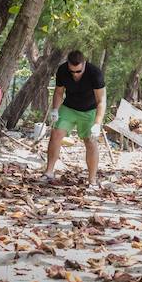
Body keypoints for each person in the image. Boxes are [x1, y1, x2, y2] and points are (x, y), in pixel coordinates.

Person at [42, 50, 106, 187]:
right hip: (69, 107)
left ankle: (92, 180)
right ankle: (48, 172)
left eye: (78, 71)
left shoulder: (95, 73)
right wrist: (55, 110)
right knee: (56, 134)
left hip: (90, 110)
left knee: (90, 140)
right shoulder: (63, 70)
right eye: (72, 72)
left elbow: (101, 101)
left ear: (84, 64)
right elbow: (59, 92)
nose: (75, 75)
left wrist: (97, 123)